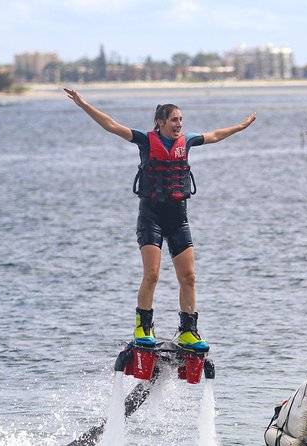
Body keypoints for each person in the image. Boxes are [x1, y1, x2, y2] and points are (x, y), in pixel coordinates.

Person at [64, 87, 256, 352]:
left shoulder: (186, 141)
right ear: (160, 122)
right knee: (152, 274)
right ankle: (144, 327)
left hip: (178, 218)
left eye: (181, 120)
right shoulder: (144, 139)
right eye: (174, 120)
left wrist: (241, 126)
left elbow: (215, 135)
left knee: (188, 276)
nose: (179, 124)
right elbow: (110, 125)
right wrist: (83, 104)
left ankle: (188, 330)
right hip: (150, 217)